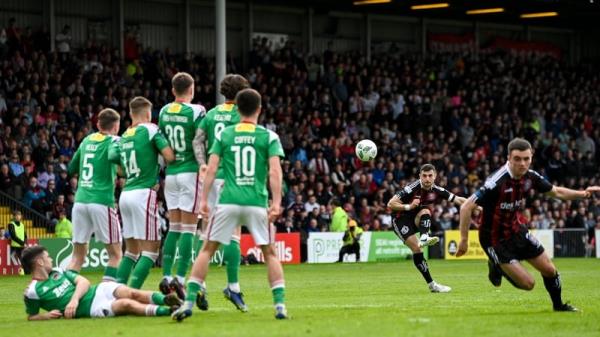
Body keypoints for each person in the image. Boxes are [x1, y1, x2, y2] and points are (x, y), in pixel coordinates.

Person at [171, 88, 288, 321]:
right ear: (259, 109)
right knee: (270, 253)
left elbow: (211, 169)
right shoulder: (269, 136)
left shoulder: (226, 135)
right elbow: (275, 172)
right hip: (256, 201)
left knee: (207, 249)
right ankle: (280, 306)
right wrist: (277, 202)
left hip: (227, 200)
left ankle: (189, 303)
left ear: (238, 109)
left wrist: (203, 201)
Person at [458, 138, 600, 312]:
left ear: (531, 157)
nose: (522, 163)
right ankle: (496, 266)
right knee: (528, 284)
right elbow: (466, 207)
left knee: (549, 270)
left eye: (526, 159)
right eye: (517, 159)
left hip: (517, 230)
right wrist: (464, 240)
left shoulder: (530, 176)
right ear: (508, 158)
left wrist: (584, 194)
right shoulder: (496, 182)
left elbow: (556, 192)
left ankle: (559, 306)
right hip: (494, 240)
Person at [194, 74, 250, 312]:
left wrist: (201, 164)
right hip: (231, 177)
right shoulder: (242, 115)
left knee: (206, 233)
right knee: (234, 234)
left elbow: (197, 140)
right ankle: (233, 287)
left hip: (210, 177)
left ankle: (199, 284)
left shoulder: (211, 114)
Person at [112, 97, 174, 289]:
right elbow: (169, 156)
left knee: (131, 251)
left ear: (131, 114)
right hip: (143, 195)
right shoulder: (151, 130)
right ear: (148, 114)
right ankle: (130, 292)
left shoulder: (124, 136)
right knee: (151, 251)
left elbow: (118, 169)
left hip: (126, 194)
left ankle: (116, 290)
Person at [21, 246, 181, 320]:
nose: (50, 259)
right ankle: (168, 311)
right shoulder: (33, 291)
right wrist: (46, 316)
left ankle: (167, 299)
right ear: (40, 262)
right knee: (126, 304)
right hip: (93, 308)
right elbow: (32, 316)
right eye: (47, 257)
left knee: (132, 293)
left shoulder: (58, 271)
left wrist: (74, 299)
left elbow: (83, 282)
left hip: (99, 290)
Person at [158, 72, 206, 299]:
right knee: (189, 229)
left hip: (171, 173)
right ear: (192, 88)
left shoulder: (164, 111)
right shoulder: (197, 111)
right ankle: (180, 277)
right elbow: (201, 139)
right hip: (190, 172)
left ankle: (166, 275)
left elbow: (162, 144)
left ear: (173, 89)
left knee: (174, 227)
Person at [387, 164, 467, 293]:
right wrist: (409, 206)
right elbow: (391, 203)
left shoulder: (436, 189)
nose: (427, 179)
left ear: (435, 176)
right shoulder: (411, 188)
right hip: (400, 220)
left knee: (426, 211)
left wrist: (475, 204)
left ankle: (424, 237)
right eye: (424, 176)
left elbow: (457, 199)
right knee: (417, 249)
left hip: (415, 218)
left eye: (430, 176)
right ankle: (432, 284)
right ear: (420, 176)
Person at [66, 108, 122, 282]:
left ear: (98, 124)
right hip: (101, 201)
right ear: (116, 126)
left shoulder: (86, 140)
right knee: (115, 254)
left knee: (77, 257)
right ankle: (106, 294)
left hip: (80, 200)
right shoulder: (114, 141)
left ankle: (63, 292)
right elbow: (120, 162)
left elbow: (70, 169)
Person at [8, 210, 27, 275]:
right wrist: (22, 243)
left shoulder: (22, 224)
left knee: (25, 259)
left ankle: (25, 272)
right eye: (17, 215)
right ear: (14, 216)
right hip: (16, 246)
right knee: (23, 259)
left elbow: (25, 235)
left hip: (22, 245)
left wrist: (25, 242)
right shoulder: (11, 224)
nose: (19, 216)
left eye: (20, 215)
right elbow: (13, 236)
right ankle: (25, 272)